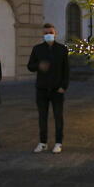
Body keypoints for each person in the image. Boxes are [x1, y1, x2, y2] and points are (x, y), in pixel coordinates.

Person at [27, 23, 70, 154]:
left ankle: (58, 142)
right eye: (46, 33)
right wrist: (39, 65)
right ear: (43, 34)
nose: (48, 35)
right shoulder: (37, 49)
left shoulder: (62, 49)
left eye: (50, 32)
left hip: (57, 89)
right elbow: (30, 66)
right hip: (42, 89)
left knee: (58, 117)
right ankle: (43, 142)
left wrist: (64, 86)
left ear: (55, 33)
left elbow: (66, 70)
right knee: (42, 117)